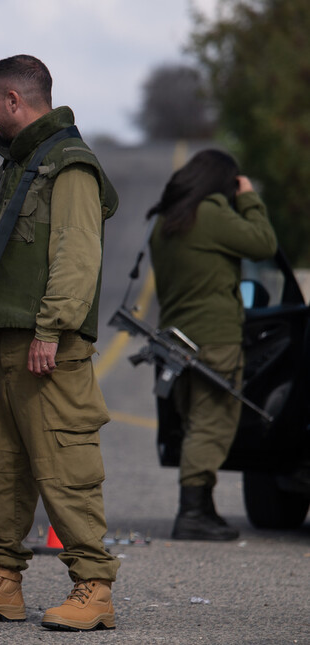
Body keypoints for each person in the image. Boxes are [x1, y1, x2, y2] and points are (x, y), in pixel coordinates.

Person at [0, 55, 120, 632]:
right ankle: (0, 582)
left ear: (16, 100)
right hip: (10, 342)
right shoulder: (23, 165)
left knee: (65, 467)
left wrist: (54, 327)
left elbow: (76, 254)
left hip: (47, 345)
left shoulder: (69, 164)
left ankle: (94, 588)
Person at [147, 149, 277, 541]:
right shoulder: (212, 216)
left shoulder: (166, 221)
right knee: (212, 424)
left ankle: (205, 508)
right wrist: (249, 197)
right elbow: (264, 243)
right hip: (215, 338)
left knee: (193, 422)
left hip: (176, 341)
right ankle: (191, 514)